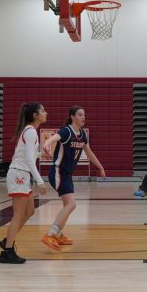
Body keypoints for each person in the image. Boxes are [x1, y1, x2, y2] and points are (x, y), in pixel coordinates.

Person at [41, 106, 106, 251]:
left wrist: (100, 167)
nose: (83, 117)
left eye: (84, 115)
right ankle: (50, 234)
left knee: (68, 206)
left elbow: (89, 154)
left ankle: (58, 234)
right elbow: (53, 138)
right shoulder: (66, 131)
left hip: (67, 175)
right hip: (58, 172)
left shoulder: (83, 135)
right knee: (71, 204)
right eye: (80, 114)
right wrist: (47, 143)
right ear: (72, 116)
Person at [0, 102, 47, 264]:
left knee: (30, 211)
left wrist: (40, 153)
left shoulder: (30, 131)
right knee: (18, 214)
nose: (46, 113)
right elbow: (27, 159)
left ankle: (7, 240)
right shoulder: (31, 131)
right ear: (35, 115)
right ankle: (7, 252)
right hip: (19, 174)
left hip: (23, 174)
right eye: (43, 111)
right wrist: (40, 181)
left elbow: (29, 155)